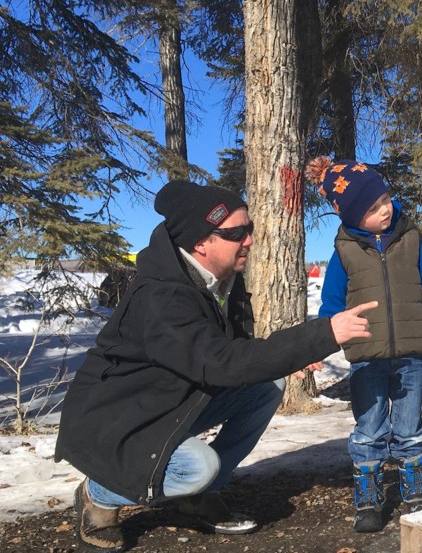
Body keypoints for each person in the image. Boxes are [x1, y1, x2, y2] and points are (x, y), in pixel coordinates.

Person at [55, 180, 377, 553]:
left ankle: (197, 496)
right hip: (121, 419)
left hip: (171, 401)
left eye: (249, 229)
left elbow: (233, 351)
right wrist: (321, 335)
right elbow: (220, 363)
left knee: (267, 388)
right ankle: (99, 493)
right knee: (196, 467)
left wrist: (292, 357)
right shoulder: (161, 297)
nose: (250, 241)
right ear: (200, 242)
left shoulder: (223, 279)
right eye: (236, 233)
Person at [305, 157, 422, 533]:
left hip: (410, 357)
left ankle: (415, 488)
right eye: (372, 208)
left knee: (409, 426)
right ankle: (369, 495)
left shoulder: (411, 240)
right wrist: (317, 346)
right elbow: (332, 306)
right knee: (369, 429)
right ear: (353, 217)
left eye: (384, 198)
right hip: (366, 359)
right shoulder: (345, 252)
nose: (384, 209)